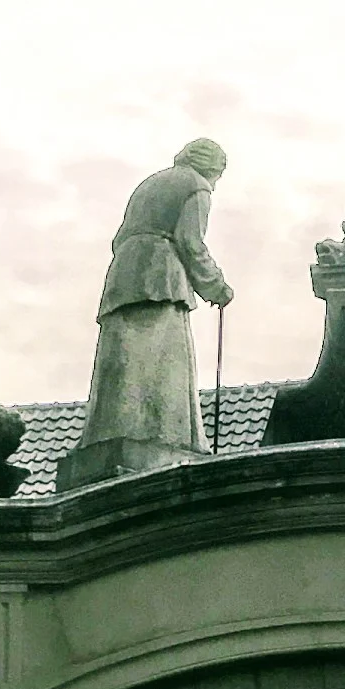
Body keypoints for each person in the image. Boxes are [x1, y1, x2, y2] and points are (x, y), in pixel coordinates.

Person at [60, 138, 233, 482]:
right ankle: (165, 437)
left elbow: (119, 237)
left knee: (121, 362)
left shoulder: (149, 184)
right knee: (163, 362)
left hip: (124, 274)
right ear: (212, 168)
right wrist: (216, 286)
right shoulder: (196, 187)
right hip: (161, 276)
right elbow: (189, 242)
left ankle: (112, 433)